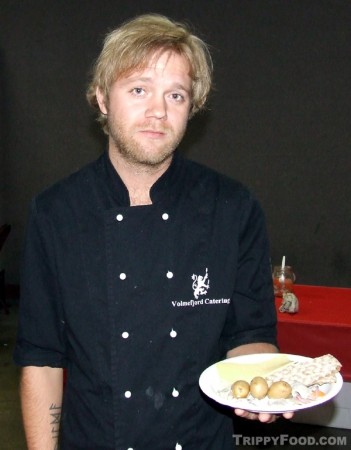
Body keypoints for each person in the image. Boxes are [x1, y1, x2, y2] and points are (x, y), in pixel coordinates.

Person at [14, 13, 293, 450]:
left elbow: (248, 334)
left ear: (192, 108)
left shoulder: (233, 208)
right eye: (139, 89)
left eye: (176, 95)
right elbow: (42, 360)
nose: (158, 111)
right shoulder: (57, 213)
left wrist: (265, 383)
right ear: (103, 98)